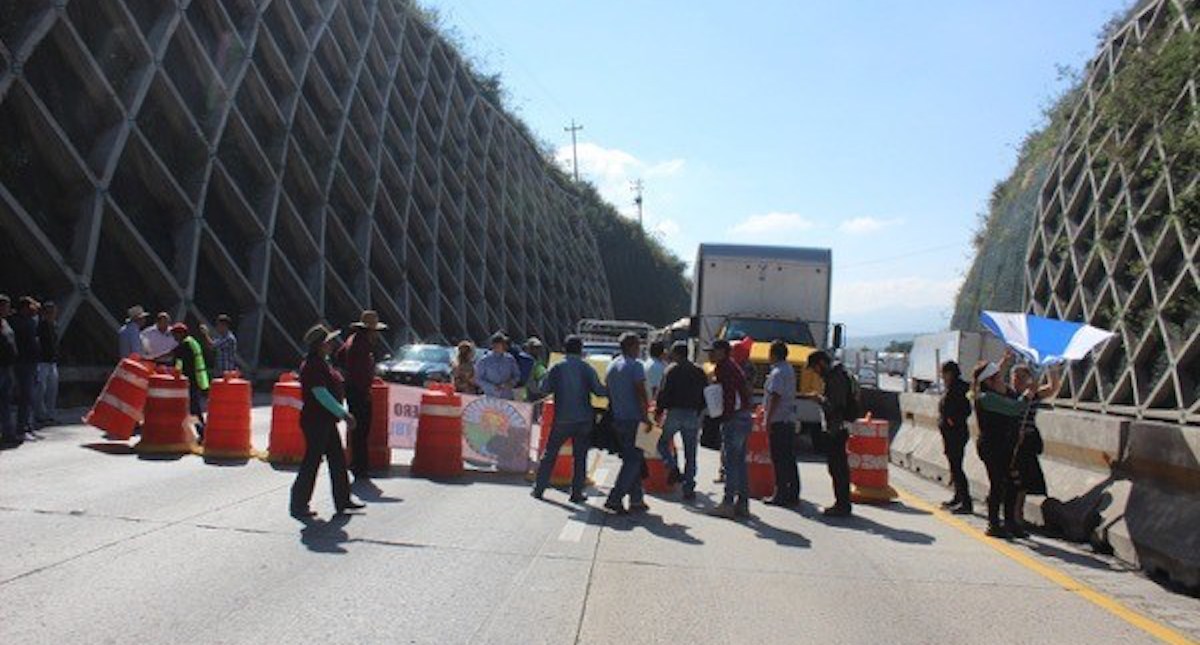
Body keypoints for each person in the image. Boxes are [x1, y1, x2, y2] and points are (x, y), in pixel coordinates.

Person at [290, 324, 365, 518]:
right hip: (316, 421)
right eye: (328, 342)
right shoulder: (313, 366)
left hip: (325, 420)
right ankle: (298, 504)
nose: (331, 345)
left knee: (338, 460)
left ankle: (343, 500)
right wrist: (344, 413)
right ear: (319, 345)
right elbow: (320, 394)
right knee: (312, 462)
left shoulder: (323, 362)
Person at [532, 335, 607, 503]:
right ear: (581, 350)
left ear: (564, 349)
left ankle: (539, 489)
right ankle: (576, 493)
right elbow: (599, 391)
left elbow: (544, 388)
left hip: (562, 419)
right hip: (584, 419)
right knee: (580, 457)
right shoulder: (587, 368)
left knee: (550, 454)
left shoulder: (557, 368)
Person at [972, 356, 1028, 538]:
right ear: (988, 381)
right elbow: (1015, 408)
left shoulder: (997, 393)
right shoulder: (987, 398)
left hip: (1005, 445)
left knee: (1011, 483)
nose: (1001, 380)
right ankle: (994, 523)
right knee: (998, 484)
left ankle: (1010, 522)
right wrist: (1028, 395)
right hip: (992, 447)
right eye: (997, 377)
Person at [604, 332, 651, 515]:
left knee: (632, 459)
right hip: (633, 419)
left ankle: (637, 499)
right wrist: (646, 416)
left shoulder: (612, 365)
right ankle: (614, 499)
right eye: (638, 346)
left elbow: (608, 390)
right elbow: (640, 392)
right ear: (632, 346)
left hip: (618, 418)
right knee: (633, 461)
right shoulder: (636, 366)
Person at [707, 339, 754, 519]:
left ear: (722, 352)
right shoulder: (733, 367)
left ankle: (727, 504)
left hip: (734, 419)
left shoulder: (724, 368)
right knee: (740, 462)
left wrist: (723, 417)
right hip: (743, 417)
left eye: (713, 351)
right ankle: (742, 504)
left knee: (731, 462)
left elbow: (728, 396)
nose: (710, 354)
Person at [654, 340, 707, 500]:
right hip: (692, 414)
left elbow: (663, 393)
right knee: (690, 453)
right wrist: (699, 411)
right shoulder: (699, 371)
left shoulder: (671, 370)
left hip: (674, 412)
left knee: (662, 442)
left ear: (676, 354)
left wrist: (659, 411)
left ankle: (672, 467)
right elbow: (706, 393)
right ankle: (689, 487)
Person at [338, 310, 387, 481]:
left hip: (353, 389)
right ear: (370, 331)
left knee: (358, 431)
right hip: (358, 391)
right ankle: (360, 468)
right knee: (361, 431)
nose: (377, 335)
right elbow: (359, 371)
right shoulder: (361, 345)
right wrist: (364, 390)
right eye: (376, 331)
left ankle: (357, 465)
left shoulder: (352, 341)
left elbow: (340, 356)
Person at [1010, 364, 1061, 527]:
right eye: (1015, 378)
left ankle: (1018, 513)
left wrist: (1052, 370)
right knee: (1013, 480)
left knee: (1024, 481)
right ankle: (1012, 513)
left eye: (1021, 378)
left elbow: (1053, 389)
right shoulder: (1009, 395)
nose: (1016, 381)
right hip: (1011, 441)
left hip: (1027, 442)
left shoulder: (1033, 395)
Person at [806, 350, 856, 517]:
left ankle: (842, 505)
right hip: (836, 427)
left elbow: (835, 405)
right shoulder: (835, 376)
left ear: (821, 364)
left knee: (838, 467)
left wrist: (819, 399)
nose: (815, 373)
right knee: (836, 467)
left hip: (837, 428)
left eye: (815, 368)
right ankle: (842, 503)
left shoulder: (836, 378)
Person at [763, 340, 800, 507]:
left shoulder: (777, 372)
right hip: (789, 419)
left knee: (779, 458)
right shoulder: (789, 369)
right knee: (789, 458)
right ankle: (793, 492)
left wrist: (768, 419)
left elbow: (775, 396)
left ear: (774, 354)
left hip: (779, 419)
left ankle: (781, 494)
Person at [938, 360, 973, 514]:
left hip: (956, 433)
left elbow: (966, 409)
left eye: (944, 373)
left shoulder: (959, 388)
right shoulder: (952, 387)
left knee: (957, 467)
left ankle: (966, 502)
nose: (942, 377)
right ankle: (958, 496)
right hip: (950, 432)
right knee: (954, 467)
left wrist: (953, 419)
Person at [171, 323, 210, 440]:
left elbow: (176, 360)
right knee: (194, 408)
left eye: (175, 334)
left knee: (193, 409)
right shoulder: (192, 342)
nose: (174, 337)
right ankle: (202, 432)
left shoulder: (185, 345)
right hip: (197, 380)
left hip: (191, 381)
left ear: (181, 333)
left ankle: (202, 433)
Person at [12, 297, 40, 439]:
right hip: (23, 363)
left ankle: (28, 426)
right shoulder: (16, 322)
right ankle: (20, 429)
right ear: (24, 308)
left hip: (32, 363)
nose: (34, 309)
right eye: (31, 307)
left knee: (31, 397)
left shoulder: (30, 321)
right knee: (25, 396)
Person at [34, 301, 59, 426]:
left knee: (52, 389)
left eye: (53, 312)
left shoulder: (54, 325)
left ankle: (50, 415)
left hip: (52, 361)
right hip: (42, 361)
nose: (53, 314)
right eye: (50, 312)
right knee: (40, 389)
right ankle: (39, 414)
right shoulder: (40, 325)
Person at [476, 332, 520, 400]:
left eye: (504, 344)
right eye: (501, 344)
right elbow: (478, 379)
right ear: (493, 345)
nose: (504, 346)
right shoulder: (484, 360)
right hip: (490, 397)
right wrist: (492, 387)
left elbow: (516, 375)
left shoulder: (510, 359)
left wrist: (511, 383)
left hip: (507, 397)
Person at [0, 294, 19, 447]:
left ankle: (8, 434)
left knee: (6, 402)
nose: (8, 309)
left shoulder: (6, 323)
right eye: (5, 306)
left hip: (8, 367)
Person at [524, 336, 549, 401]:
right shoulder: (527, 362)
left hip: (538, 394)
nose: (537, 350)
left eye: (538, 348)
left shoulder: (539, 360)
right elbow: (529, 380)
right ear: (529, 349)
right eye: (534, 348)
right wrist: (539, 392)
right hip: (530, 394)